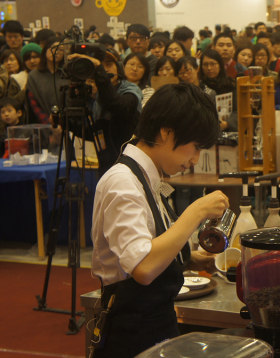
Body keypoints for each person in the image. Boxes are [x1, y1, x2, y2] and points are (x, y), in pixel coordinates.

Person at [90, 82, 228, 358]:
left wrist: (187, 258)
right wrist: (196, 211)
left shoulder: (146, 175)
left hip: (153, 323)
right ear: (166, 133)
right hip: (131, 333)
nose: (195, 160)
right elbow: (142, 267)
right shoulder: (123, 183)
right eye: (195, 147)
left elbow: (147, 244)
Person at [69, 49, 142, 176]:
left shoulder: (130, 88)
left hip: (131, 167)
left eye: (108, 64)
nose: (103, 68)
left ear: (118, 68)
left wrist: (99, 71)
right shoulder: (99, 98)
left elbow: (117, 105)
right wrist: (63, 121)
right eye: (98, 65)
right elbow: (93, 133)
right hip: (106, 166)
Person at [26, 37, 67, 124]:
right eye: (53, 48)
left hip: (66, 125)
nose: (56, 52)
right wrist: (49, 124)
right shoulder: (34, 76)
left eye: (60, 49)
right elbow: (34, 104)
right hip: (42, 124)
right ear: (45, 50)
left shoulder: (67, 75)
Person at [199, 49, 237, 131]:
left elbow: (238, 111)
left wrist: (227, 124)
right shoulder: (199, 87)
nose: (209, 68)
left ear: (220, 65)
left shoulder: (231, 85)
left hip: (228, 130)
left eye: (213, 64)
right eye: (205, 64)